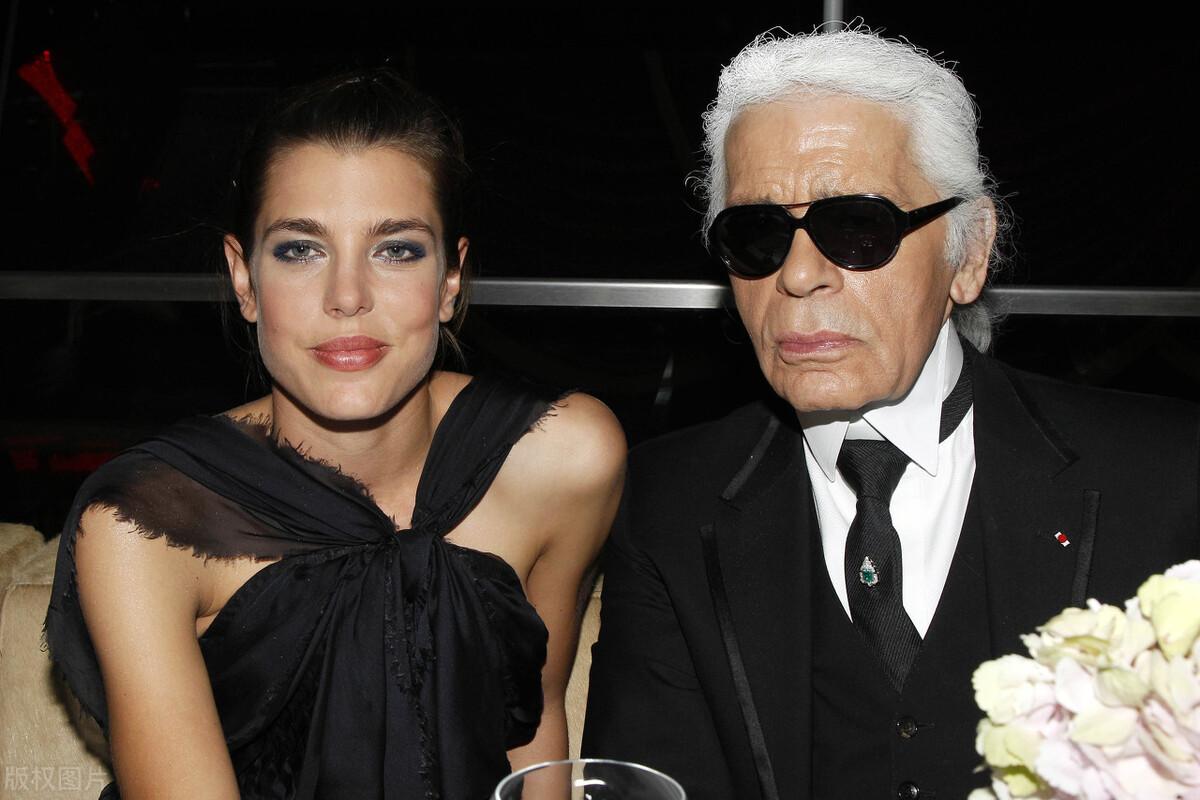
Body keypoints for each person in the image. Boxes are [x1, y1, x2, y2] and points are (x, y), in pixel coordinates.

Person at [582, 29, 1199, 800]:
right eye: (757, 235)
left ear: (968, 254)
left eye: (856, 228)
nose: (799, 276)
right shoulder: (669, 502)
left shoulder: (1168, 479)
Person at [44, 69, 626, 800]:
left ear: (451, 280)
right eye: (300, 250)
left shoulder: (565, 458)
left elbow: (533, 727)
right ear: (243, 280)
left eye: (396, 249)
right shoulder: (145, 527)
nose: (347, 296)